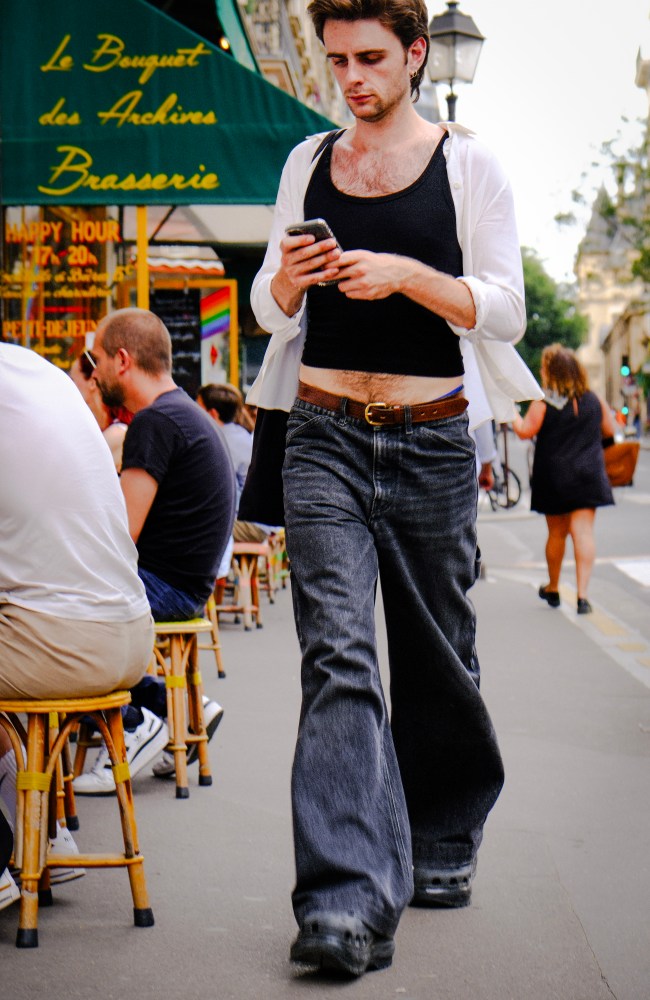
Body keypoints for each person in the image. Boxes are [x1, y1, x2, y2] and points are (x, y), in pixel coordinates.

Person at [245, 0, 542, 977]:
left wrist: (409, 273)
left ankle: (444, 835)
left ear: (415, 54)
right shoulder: (305, 162)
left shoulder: (470, 165)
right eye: (336, 59)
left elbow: (501, 307)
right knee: (337, 656)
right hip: (322, 436)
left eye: (369, 57)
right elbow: (264, 303)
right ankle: (341, 896)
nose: (350, 77)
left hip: (430, 443)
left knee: (435, 653)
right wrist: (288, 279)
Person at [0, 343, 155, 904]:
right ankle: (45, 836)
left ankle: (9, 849)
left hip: (62, 645)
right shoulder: (39, 374)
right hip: (133, 636)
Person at [72, 309, 236, 793]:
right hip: (188, 586)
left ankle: (134, 720)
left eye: (96, 359)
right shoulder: (183, 412)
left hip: (163, 588)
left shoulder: (154, 423)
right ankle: (176, 707)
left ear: (122, 360)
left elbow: (121, 533)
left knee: (54, 609)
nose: (94, 371)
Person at [513, 343, 615, 614]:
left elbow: (525, 431)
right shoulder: (593, 399)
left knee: (557, 532)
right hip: (589, 473)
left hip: (554, 475)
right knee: (583, 533)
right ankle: (582, 597)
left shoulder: (544, 401)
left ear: (551, 371)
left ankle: (554, 587)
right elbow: (610, 430)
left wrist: (509, 412)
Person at [197, 383, 278, 543]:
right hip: (262, 521)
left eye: (197, 408)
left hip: (251, 523)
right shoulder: (239, 434)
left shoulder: (218, 441)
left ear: (212, 414)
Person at [69, 350, 131, 471]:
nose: (69, 387)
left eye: (73, 380)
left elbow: (76, 472)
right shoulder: (102, 428)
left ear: (92, 382)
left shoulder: (117, 433)